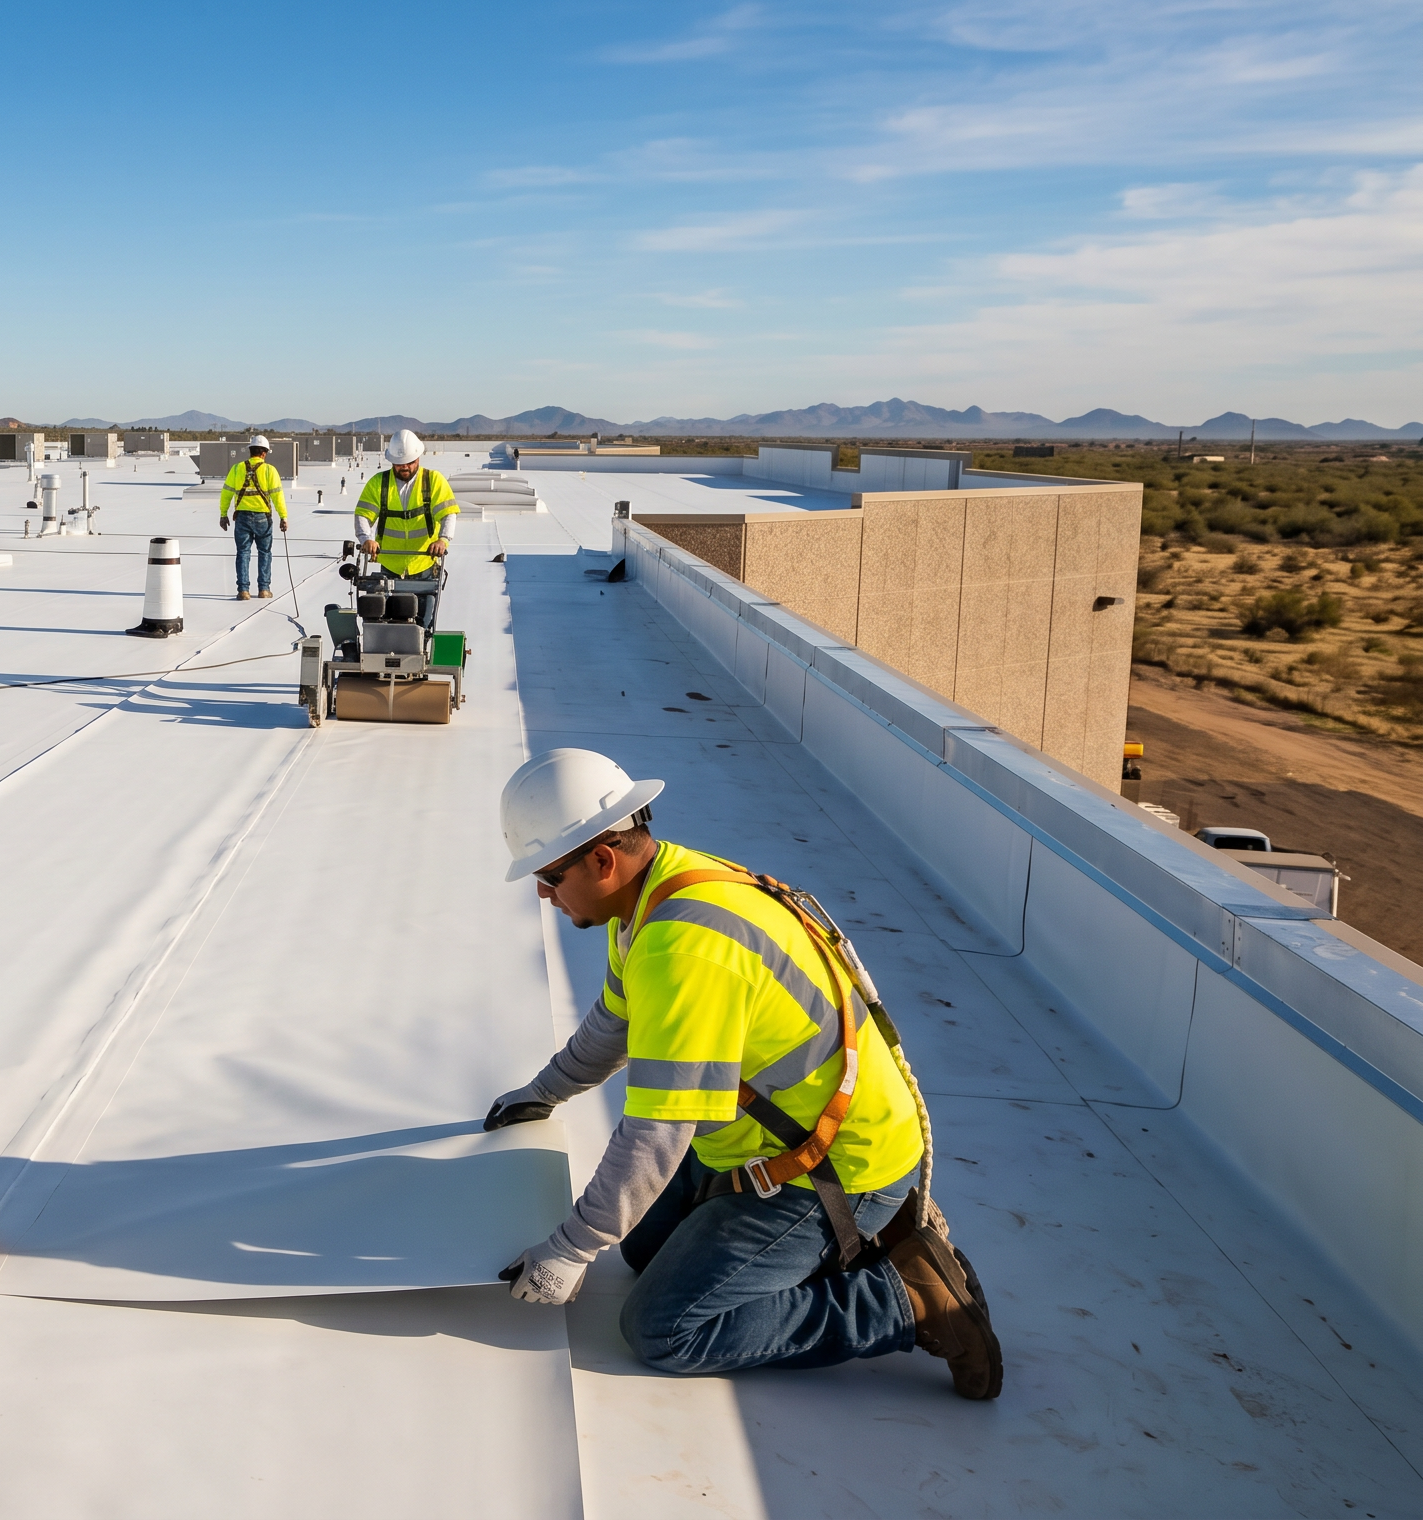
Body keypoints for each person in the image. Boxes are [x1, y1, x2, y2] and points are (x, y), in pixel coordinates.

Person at [484, 748, 1002, 1399]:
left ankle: (904, 1301)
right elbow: (612, 1024)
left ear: (601, 859)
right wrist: (542, 1093)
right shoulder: (662, 889)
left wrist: (571, 1246)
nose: (542, 892)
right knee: (643, 1252)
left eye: (548, 876)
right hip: (777, 1136)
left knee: (662, 1328)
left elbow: (655, 1133)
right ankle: (860, 1248)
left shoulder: (683, 948)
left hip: (832, 1168)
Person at [354, 429, 458, 630]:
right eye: (401, 464)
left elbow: (448, 513)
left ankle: (422, 648)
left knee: (423, 623)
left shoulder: (433, 481)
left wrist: (443, 540)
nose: (406, 467)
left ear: (418, 457)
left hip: (424, 565)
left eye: (410, 462)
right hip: (390, 565)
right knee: (387, 619)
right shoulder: (379, 483)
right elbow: (362, 515)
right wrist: (366, 538)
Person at [218, 433, 289, 600]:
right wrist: (283, 517)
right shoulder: (270, 470)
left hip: (242, 517)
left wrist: (223, 515)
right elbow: (278, 496)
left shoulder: (237, 469)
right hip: (263, 518)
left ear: (250, 451)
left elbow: (226, 493)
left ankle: (243, 591)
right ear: (264, 453)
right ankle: (264, 589)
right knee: (264, 552)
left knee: (243, 552)